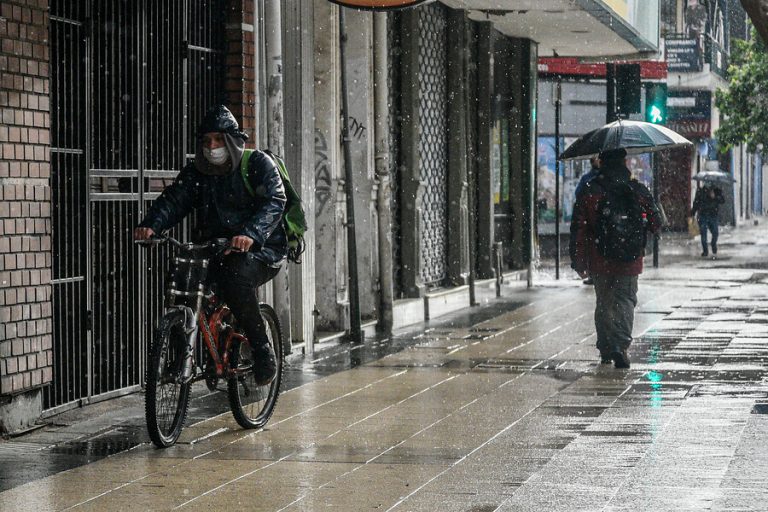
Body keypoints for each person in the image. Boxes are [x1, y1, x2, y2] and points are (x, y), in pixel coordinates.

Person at [134, 105, 287, 385]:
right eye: (207, 141)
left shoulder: (257, 164)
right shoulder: (198, 173)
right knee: (182, 281)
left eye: (218, 139)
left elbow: (274, 201)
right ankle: (181, 354)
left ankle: (262, 348)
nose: (212, 147)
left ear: (232, 141)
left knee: (235, 278)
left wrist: (250, 234)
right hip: (214, 248)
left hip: (262, 249)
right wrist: (152, 225)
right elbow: (174, 200)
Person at [569, 148, 661, 368]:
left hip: (600, 257)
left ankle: (606, 348)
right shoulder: (637, 189)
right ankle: (620, 346)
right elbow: (656, 223)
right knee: (625, 300)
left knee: (604, 302)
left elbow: (579, 227)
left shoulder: (590, 190)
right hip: (630, 257)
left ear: (601, 162)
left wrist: (579, 260)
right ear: (624, 162)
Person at [572, 157, 601, 285]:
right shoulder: (590, 179)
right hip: (598, 219)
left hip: (592, 219)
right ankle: (595, 274)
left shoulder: (587, 179)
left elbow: (578, 194)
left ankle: (593, 274)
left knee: (592, 246)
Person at [690, 184, 724, 257]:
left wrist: (715, 197)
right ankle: (705, 251)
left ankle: (713, 244)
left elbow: (722, 200)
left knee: (715, 233)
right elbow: (696, 203)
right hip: (703, 215)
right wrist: (692, 213)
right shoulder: (700, 191)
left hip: (713, 215)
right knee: (703, 234)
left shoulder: (717, 191)